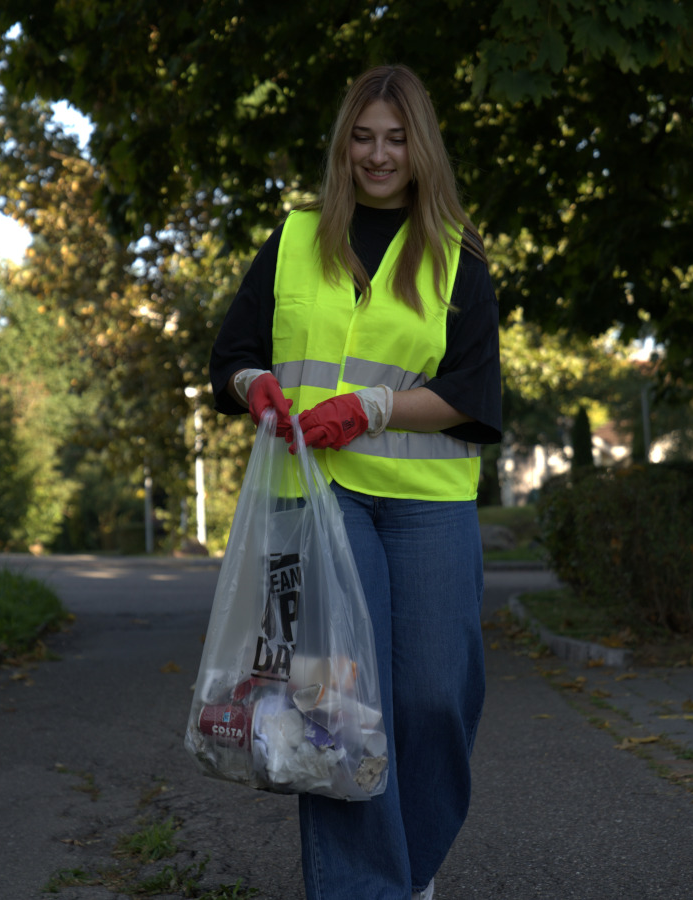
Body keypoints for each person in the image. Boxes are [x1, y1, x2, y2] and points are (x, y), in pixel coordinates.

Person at [210, 64, 502, 900]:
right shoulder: (296, 238)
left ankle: (410, 868)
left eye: (396, 139)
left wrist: (373, 406)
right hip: (318, 502)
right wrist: (252, 389)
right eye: (363, 138)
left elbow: (472, 391)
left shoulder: (455, 256)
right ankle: (365, 890)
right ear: (344, 146)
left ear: (422, 149)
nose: (378, 155)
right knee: (336, 712)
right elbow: (233, 356)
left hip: (428, 507)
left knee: (433, 698)